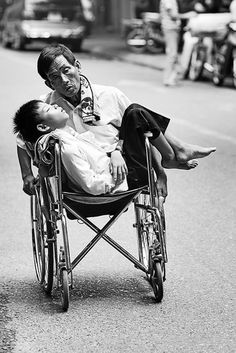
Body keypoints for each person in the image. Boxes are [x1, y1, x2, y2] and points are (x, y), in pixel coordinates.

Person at [16, 44, 216, 198]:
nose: (64, 80)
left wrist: (159, 174)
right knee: (137, 113)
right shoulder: (46, 108)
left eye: (66, 70)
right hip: (80, 179)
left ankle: (176, 152)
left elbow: (142, 133)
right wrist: (27, 175)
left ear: (77, 66)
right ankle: (178, 151)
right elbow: (22, 139)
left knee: (136, 114)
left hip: (125, 168)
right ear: (48, 83)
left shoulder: (110, 95)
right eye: (55, 77)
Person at [13, 100, 204, 195]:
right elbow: (91, 184)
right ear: (43, 127)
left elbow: (97, 157)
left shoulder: (70, 137)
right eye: (50, 109)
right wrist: (116, 179)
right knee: (135, 113)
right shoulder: (66, 147)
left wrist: (115, 153)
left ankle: (172, 155)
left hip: (120, 167)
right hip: (126, 177)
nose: (56, 106)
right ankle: (171, 156)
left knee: (133, 113)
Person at [160, 0, 182, 86]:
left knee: (173, 54)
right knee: (172, 54)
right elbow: (173, 15)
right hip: (170, 28)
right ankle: (167, 79)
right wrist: (188, 15)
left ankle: (173, 78)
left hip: (173, 28)